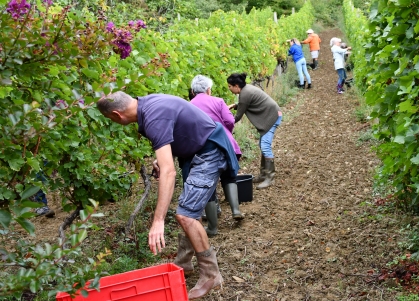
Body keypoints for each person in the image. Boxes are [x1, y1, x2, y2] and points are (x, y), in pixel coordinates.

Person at [97, 91, 239, 300]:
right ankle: (184, 263)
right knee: (190, 210)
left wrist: (158, 221)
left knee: (186, 215)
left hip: (210, 151)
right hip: (196, 150)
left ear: (117, 115)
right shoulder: (147, 104)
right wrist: (162, 159)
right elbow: (177, 130)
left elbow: (169, 172)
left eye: (111, 120)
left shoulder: (152, 117)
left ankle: (211, 275)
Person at [190, 75, 245, 237]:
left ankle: (213, 227)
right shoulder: (218, 101)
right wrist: (226, 132)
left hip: (203, 147)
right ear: (209, 89)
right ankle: (235, 210)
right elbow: (229, 121)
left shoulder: (189, 106)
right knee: (229, 177)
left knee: (208, 185)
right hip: (224, 143)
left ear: (193, 91)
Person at [226, 73, 282, 190]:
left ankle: (269, 177)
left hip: (272, 116)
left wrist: (224, 121)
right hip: (273, 114)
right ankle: (263, 175)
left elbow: (237, 117)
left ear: (236, 86)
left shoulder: (244, 94)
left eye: (230, 86)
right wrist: (235, 105)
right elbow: (245, 103)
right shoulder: (247, 89)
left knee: (265, 146)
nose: (229, 88)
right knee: (263, 145)